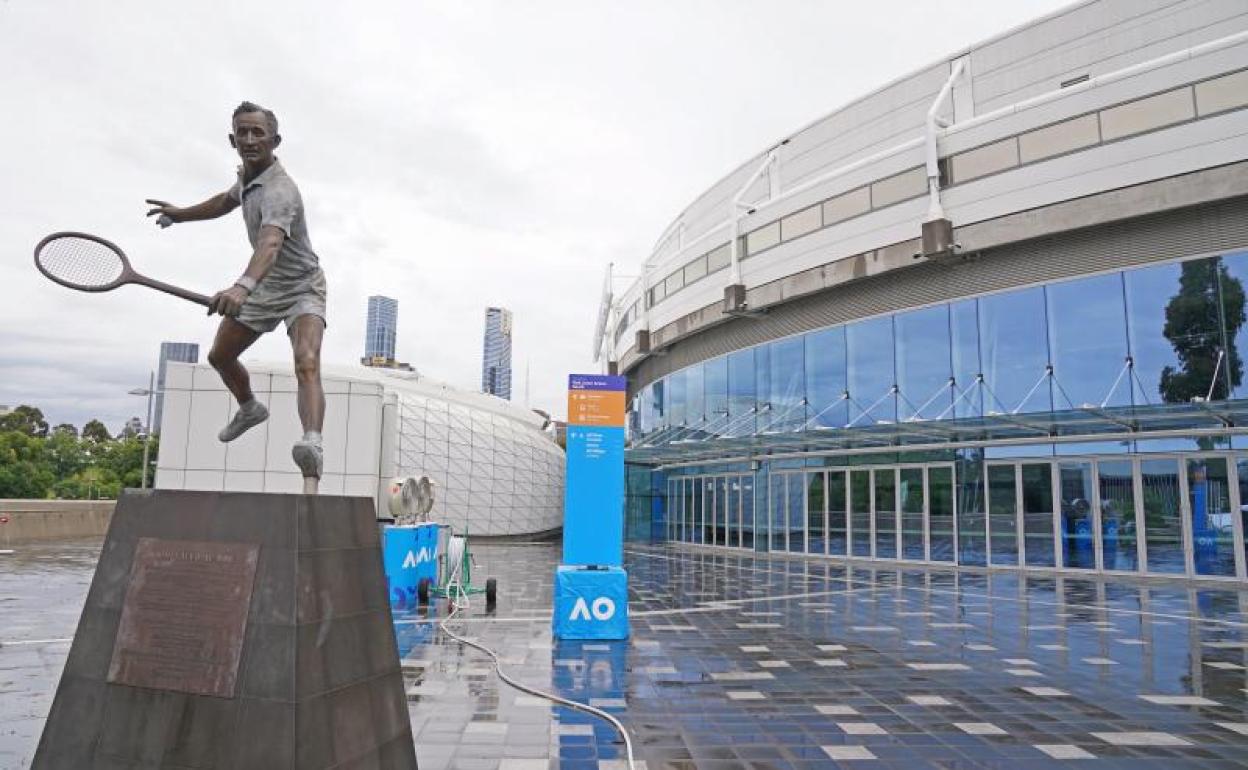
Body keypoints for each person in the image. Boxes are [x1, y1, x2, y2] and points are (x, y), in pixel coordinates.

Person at [144, 101, 327, 482]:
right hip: (264, 287)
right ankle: (249, 408)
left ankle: (312, 442)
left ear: (275, 140)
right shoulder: (246, 177)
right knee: (220, 356)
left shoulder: (281, 191)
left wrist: (242, 286)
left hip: (301, 286)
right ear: (232, 139)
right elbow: (224, 202)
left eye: (257, 132)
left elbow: (270, 245)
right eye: (242, 132)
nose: (249, 138)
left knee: (306, 361)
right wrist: (180, 214)